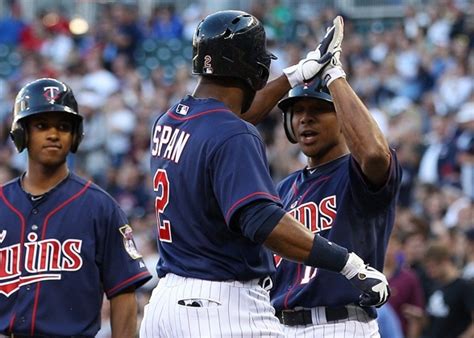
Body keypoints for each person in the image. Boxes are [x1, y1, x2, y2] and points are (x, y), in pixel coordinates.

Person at [140, 10, 390, 337]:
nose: (304, 119)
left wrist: (297, 74)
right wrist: (348, 264)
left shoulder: (169, 121)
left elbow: (228, 121)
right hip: (220, 306)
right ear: (253, 70)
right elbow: (260, 220)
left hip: (164, 305)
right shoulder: (234, 134)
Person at [270, 16, 402, 336]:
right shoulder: (283, 189)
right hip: (281, 325)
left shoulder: (355, 174)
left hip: (342, 324)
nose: (304, 119)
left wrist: (332, 75)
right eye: (297, 111)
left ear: (342, 115)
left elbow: (373, 154)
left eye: (317, 109)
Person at [0, 78, 152, 337]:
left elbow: (123, 293)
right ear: (22, 132)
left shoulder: (100, 207)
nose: (53, 134)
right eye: (41, 125)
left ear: (75, 136)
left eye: (63, 126)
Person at [424, 241, 474, 338]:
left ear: (445, 262)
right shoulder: (434, 286)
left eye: (432, 266)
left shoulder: (465, 286)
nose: (429, 272)